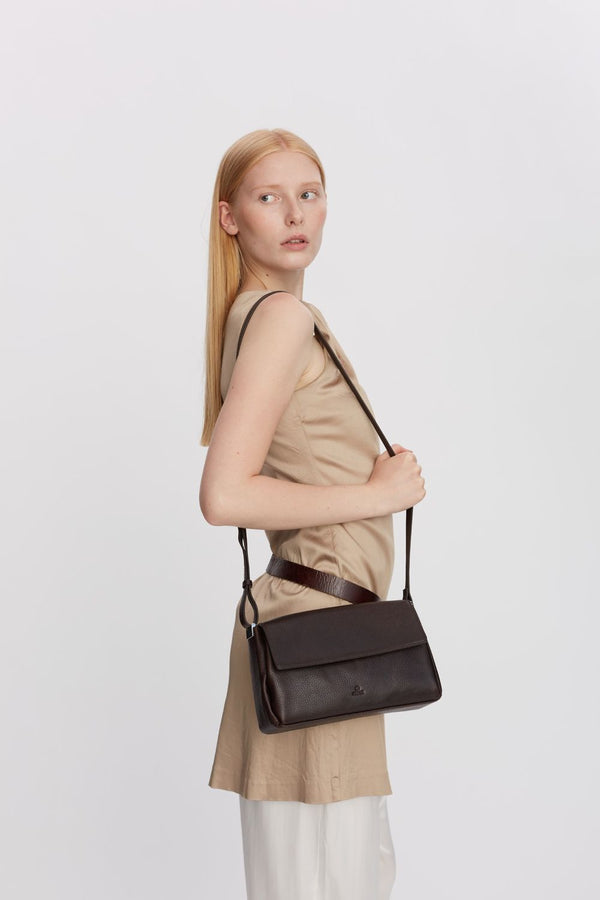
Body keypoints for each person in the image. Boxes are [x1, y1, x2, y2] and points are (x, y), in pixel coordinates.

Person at [199, 128, 426, 899]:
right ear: (231, 217)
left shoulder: (259, 315)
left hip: (325, 636)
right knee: (333, 880)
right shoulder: (281, 319)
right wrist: (379, 495)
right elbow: (224, 495)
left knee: (340, 875)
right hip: (317, 637)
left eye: (309, 194)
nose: (295, 214)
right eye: (269, 197)